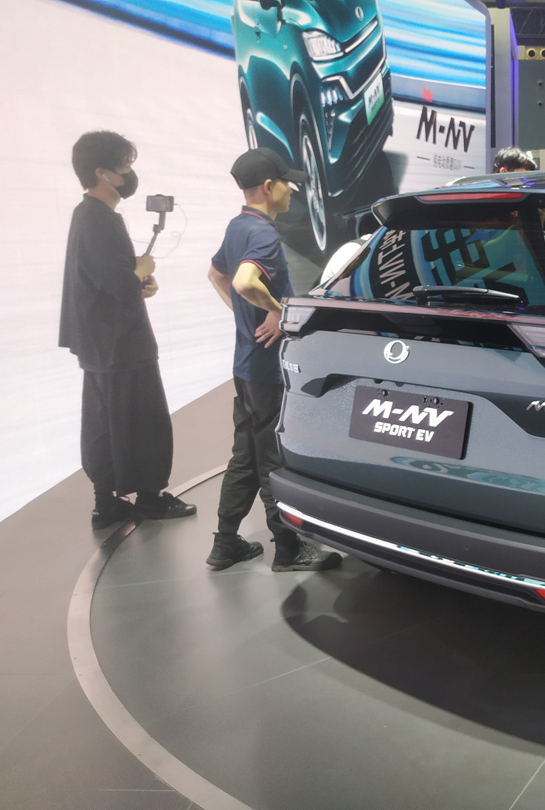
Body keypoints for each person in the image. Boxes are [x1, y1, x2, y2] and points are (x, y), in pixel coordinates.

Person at [205, 148, 342, 573]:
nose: (291, 191)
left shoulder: (238, 226)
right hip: (267, 369)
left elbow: (217, 275)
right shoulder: (262, 233)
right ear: (269, 187)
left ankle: (224, 544)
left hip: (245, 365)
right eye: (287, 183)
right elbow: (244, 281)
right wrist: (279, 313)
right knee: (271, 459)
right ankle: (288, 548)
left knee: (246, 453)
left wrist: (246, 316)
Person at [60, 130, 197, 529]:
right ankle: (150, 498)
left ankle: (105, 503)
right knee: (145, 419)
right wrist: (141, 271)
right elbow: (118, 281)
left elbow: (105, 278)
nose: (129, 174)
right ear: (101, 172)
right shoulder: (98, 219)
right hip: (122, 342)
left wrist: (138, 280)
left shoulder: (87, 216)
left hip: (100, 342)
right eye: (124, 167)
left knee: (103, 424)